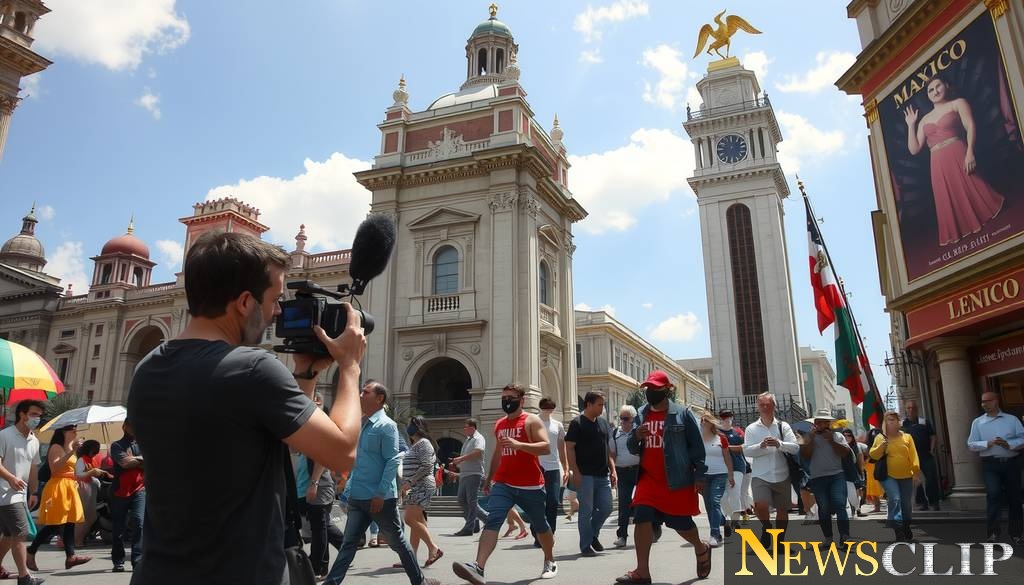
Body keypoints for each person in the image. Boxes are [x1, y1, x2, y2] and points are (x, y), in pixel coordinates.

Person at [126, 230, 367, 584]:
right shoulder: (252, 369)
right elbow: (342, 452)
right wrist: (350, 366)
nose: (277, 312)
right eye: (274, 299)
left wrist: (306, 373)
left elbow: (262, 436)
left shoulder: (147, 369)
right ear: (243, 302)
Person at [324, 381, 438, 585]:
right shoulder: (360, 424)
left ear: (379, 398)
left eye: (366, 392)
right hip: (358, 496)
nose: (360, 394)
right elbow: (358, 460)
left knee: (398, 543)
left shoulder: (387, 425)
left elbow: (392, 460)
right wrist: (347, 487)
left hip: (380, 499)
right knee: (348, 545)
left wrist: (380, 492)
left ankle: (419, 581)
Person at [452, 383, 557, 584]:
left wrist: (520, 445)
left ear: (521, 400)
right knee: (493, 520)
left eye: (511, 398)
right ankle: (478, 567)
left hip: (530, 485)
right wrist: (489, 478)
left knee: (540, 525)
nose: (507, 401)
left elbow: (545, 447)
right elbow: (498, 454)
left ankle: (549, 560)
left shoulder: (531, 420)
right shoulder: (500, 424)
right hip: (504, 483)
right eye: (504, 398)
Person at [616, 371, 711, 583]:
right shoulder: (641, 413)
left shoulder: (682, 414)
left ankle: (700, 547)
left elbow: (697, 448)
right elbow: (632, 447)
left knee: (680, 523)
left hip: (676, 479)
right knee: (642, 516)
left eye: (655, 388)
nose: (650, 392)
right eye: (648, 388)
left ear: (667, 390)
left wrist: (700, 475)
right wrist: (636, 436)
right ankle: (642, 571)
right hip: (648, 479)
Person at [904, 75, 1004, 246]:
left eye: (938, 86)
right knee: (945, 197)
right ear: (928, 95)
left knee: (972, 185)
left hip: (958, 152)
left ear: (946, 86)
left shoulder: (958, 103)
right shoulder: (924, 120)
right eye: (930, 90)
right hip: (937, 162)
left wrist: (970, 152)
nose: (935, 91)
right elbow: (914, 149)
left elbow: (970, 125)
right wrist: (911, 125)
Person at [26, 426, 90, 571]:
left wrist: (74, 478)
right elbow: (54, 468)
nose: (75, 431)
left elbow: (70, 469)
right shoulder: (56, 447)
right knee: (56, 522)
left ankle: (70, 556)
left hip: (69, 487)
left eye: (76, 429)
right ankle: (31, 550)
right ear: (63, 432)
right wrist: (72, 452)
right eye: (72, 429)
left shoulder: (70, 447)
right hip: (58, 487)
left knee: (70, 521)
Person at [742, 392, 800, 549]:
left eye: (768, 404)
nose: (765, 407)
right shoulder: (751, 428)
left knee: (782, 510)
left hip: (782, 474)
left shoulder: (783, 426)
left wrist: (779, 444)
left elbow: (795, 447)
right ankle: (766, 527)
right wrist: (760, 446)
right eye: (762, 405)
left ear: (774, 406)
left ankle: (780, 541)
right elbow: (746, 451)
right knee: (760, 505)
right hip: (760, 475)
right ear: (757, 407)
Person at [967, 391, 1024, 545]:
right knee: (993, 495)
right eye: (982, 402)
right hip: (990, 464)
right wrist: (988, 443)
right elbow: (971, 444)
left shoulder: (1012, 420)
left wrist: (1008, 444)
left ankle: (1017, 534)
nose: (984, 404)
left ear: (996, 401)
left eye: (988, 401)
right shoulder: (978, 422)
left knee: (1015, 498)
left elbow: (1022, 438)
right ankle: (992, 533)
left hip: (1011, 463)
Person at [565, 390, 616, 556]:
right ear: (589, 404)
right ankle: (585, 545)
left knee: (607, 507)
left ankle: (592, 534)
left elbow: (607, 449)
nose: (602, 408)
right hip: (584, 474)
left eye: (603, 404)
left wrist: (613, 470)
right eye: (600, 404)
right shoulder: (577, 423)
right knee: (586, 511)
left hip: (603, 474)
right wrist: (575, 472)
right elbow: (569, 448)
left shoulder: (603, 423)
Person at [0, 400, 45, 585]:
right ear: (22, 414)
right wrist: (11, 478)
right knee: (20, 533)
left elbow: (33, 468)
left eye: (39, 415)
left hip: (20, 495)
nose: (37, 418)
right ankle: (24, 576)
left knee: (9, 535)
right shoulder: (5, 435)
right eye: (34, 414)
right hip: (5, 494)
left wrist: (34, 492)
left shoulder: (34, 440)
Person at [799, 409, 853, 546]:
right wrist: (811, 440)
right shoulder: (808, 437)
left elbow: (845, 453)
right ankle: (828, 538)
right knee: (823, 508)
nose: (820, 424)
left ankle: (845, 536)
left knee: (840, 505)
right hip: (818, 477)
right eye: (818, 422)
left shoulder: (837, 436)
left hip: (837, 475)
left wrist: (831, 441)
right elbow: (804, 455)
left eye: (823, 422)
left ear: (828, 423)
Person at [305, 394, 344, 579]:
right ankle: (324, 564)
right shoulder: (313, 424)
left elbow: (321, 458)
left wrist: (314, 483)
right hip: (318, 483)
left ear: (318, 402)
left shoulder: (319, 425)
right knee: (322, 525)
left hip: (320, 485)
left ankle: (317, 566)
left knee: (319, 527)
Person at [871, 411, 920, 543]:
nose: (890, 422)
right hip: (888, 476)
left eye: (892, 420)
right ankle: (898, 529)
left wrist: (915, 473)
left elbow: (913, 456)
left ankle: (906, 525)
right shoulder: (880, 438)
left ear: (899, 422)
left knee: (906, 504)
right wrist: (881, 446)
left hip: (906, 475)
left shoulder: (907, 437)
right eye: (887, 420)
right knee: (895, 499)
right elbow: (873, 455)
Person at [400, 416, 443, 568]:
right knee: (417, 522)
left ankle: (433, 548)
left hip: (421, 485)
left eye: (411, 424)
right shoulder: (416, 444)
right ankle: (411, 558)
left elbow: (427, 465)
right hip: (417, 486)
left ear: (419, 427)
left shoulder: (424, 443)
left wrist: (410, 482)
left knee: (409, 519)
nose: (408, 427)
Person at [109, 421, 145, 573]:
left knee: (139, 522)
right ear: (124, 427)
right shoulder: (117, 445)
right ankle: (118, 561)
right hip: (120, 491)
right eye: (131, 425)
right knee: (119, 528)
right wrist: (141, 460)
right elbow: (125, 463)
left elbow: (149, 462)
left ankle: (137, 560)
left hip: (140, 489)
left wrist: (134, 459)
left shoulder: (143, 444)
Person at [535, 398, 568, 547]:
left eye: (551, 408)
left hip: (553, 467)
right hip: (537, 466)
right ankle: (537, 532)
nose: (548, 411)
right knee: (538, 502)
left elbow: (562, 448)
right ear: (540, 407)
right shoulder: (533, 422)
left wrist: (566, 467)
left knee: (553, 501)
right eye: (545, 408)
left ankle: (550, 533)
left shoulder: (558, 425)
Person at [700, 412, 733, 547]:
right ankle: (723, 521)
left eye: (705, 420)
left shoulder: (721, 438)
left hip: (720, 474)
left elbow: (727, 457)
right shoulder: (697, 438)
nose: (703, 422)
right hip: (703, 476)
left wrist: (730, 474)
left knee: (714, 502)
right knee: (709, 506)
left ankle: (715, 535)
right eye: (701, 420)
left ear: (711, 423)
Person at [902, 399, 941, 511]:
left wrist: (932, 449)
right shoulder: (902, 424)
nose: (911, 410)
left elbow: (933, 436)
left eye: (913, 408)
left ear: (917, 409)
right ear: (906, 410)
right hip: (911, 457)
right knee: (916, 480)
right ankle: (922, 503)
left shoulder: (924, 422)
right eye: (909, 408)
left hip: (926, 455)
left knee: (931, 479)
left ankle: (934, 502)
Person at [610, 404, 640, 548]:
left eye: (626, 418)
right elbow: (612, 454)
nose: (623, 421)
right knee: (623, 504)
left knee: (643, 502)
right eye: (621, 418)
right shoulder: (615, 433)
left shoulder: (638, 432)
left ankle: (652, 529)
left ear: (633, 419)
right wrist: (613, 471)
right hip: (622, 471)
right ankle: (622, 536)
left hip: (638, 471)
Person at [450, 419, 486, 536]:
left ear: (472, 428)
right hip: (465, 474)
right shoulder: (467, 440)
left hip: (474, 474)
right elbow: (466, 457)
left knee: (471, 501)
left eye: (466, 427)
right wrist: (457, 463)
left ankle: (471, 526)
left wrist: (460, 459)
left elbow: (478, 452)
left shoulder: (479, 438)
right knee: (462, 500)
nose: (464, 430)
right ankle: (476, 522)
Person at [73, 440, 109, 547]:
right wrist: (92, 472)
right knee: (86, 516)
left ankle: (79, 538)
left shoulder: (90, 459)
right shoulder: (81, 459)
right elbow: (78, 474)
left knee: (91, 516)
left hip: (91, 488)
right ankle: (77, 540)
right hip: (84, 488)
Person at [717, 409, 746, 538]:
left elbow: (743, 448)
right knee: (722, 498)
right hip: (721, 468)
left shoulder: (737, 432)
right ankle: (729, 520)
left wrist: (727, 447)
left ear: (732, 417)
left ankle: (735, 522)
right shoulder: (716, 433)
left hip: (737, 467)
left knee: (735, 494)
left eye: (729, 416)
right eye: (724, 417)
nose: (726, 419)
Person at [841, 428, 866, 518]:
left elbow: (860, 461)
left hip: (855, 471)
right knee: (849, 492)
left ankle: (858, 509)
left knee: (858, 490)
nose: (846, 437)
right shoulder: (839, 447)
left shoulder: (856, 447)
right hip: (843, 473)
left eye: (849, 435)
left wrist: (861, 473)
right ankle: (852, 509)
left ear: (852, 437)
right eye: (844, 435)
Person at [863, 428, 884, 513]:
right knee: (874, 489)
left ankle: (877, 506)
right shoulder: (868, 448)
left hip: (876, 468)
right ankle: (877, 506)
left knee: (876, 488)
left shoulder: (870, 447)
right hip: (871, 470)